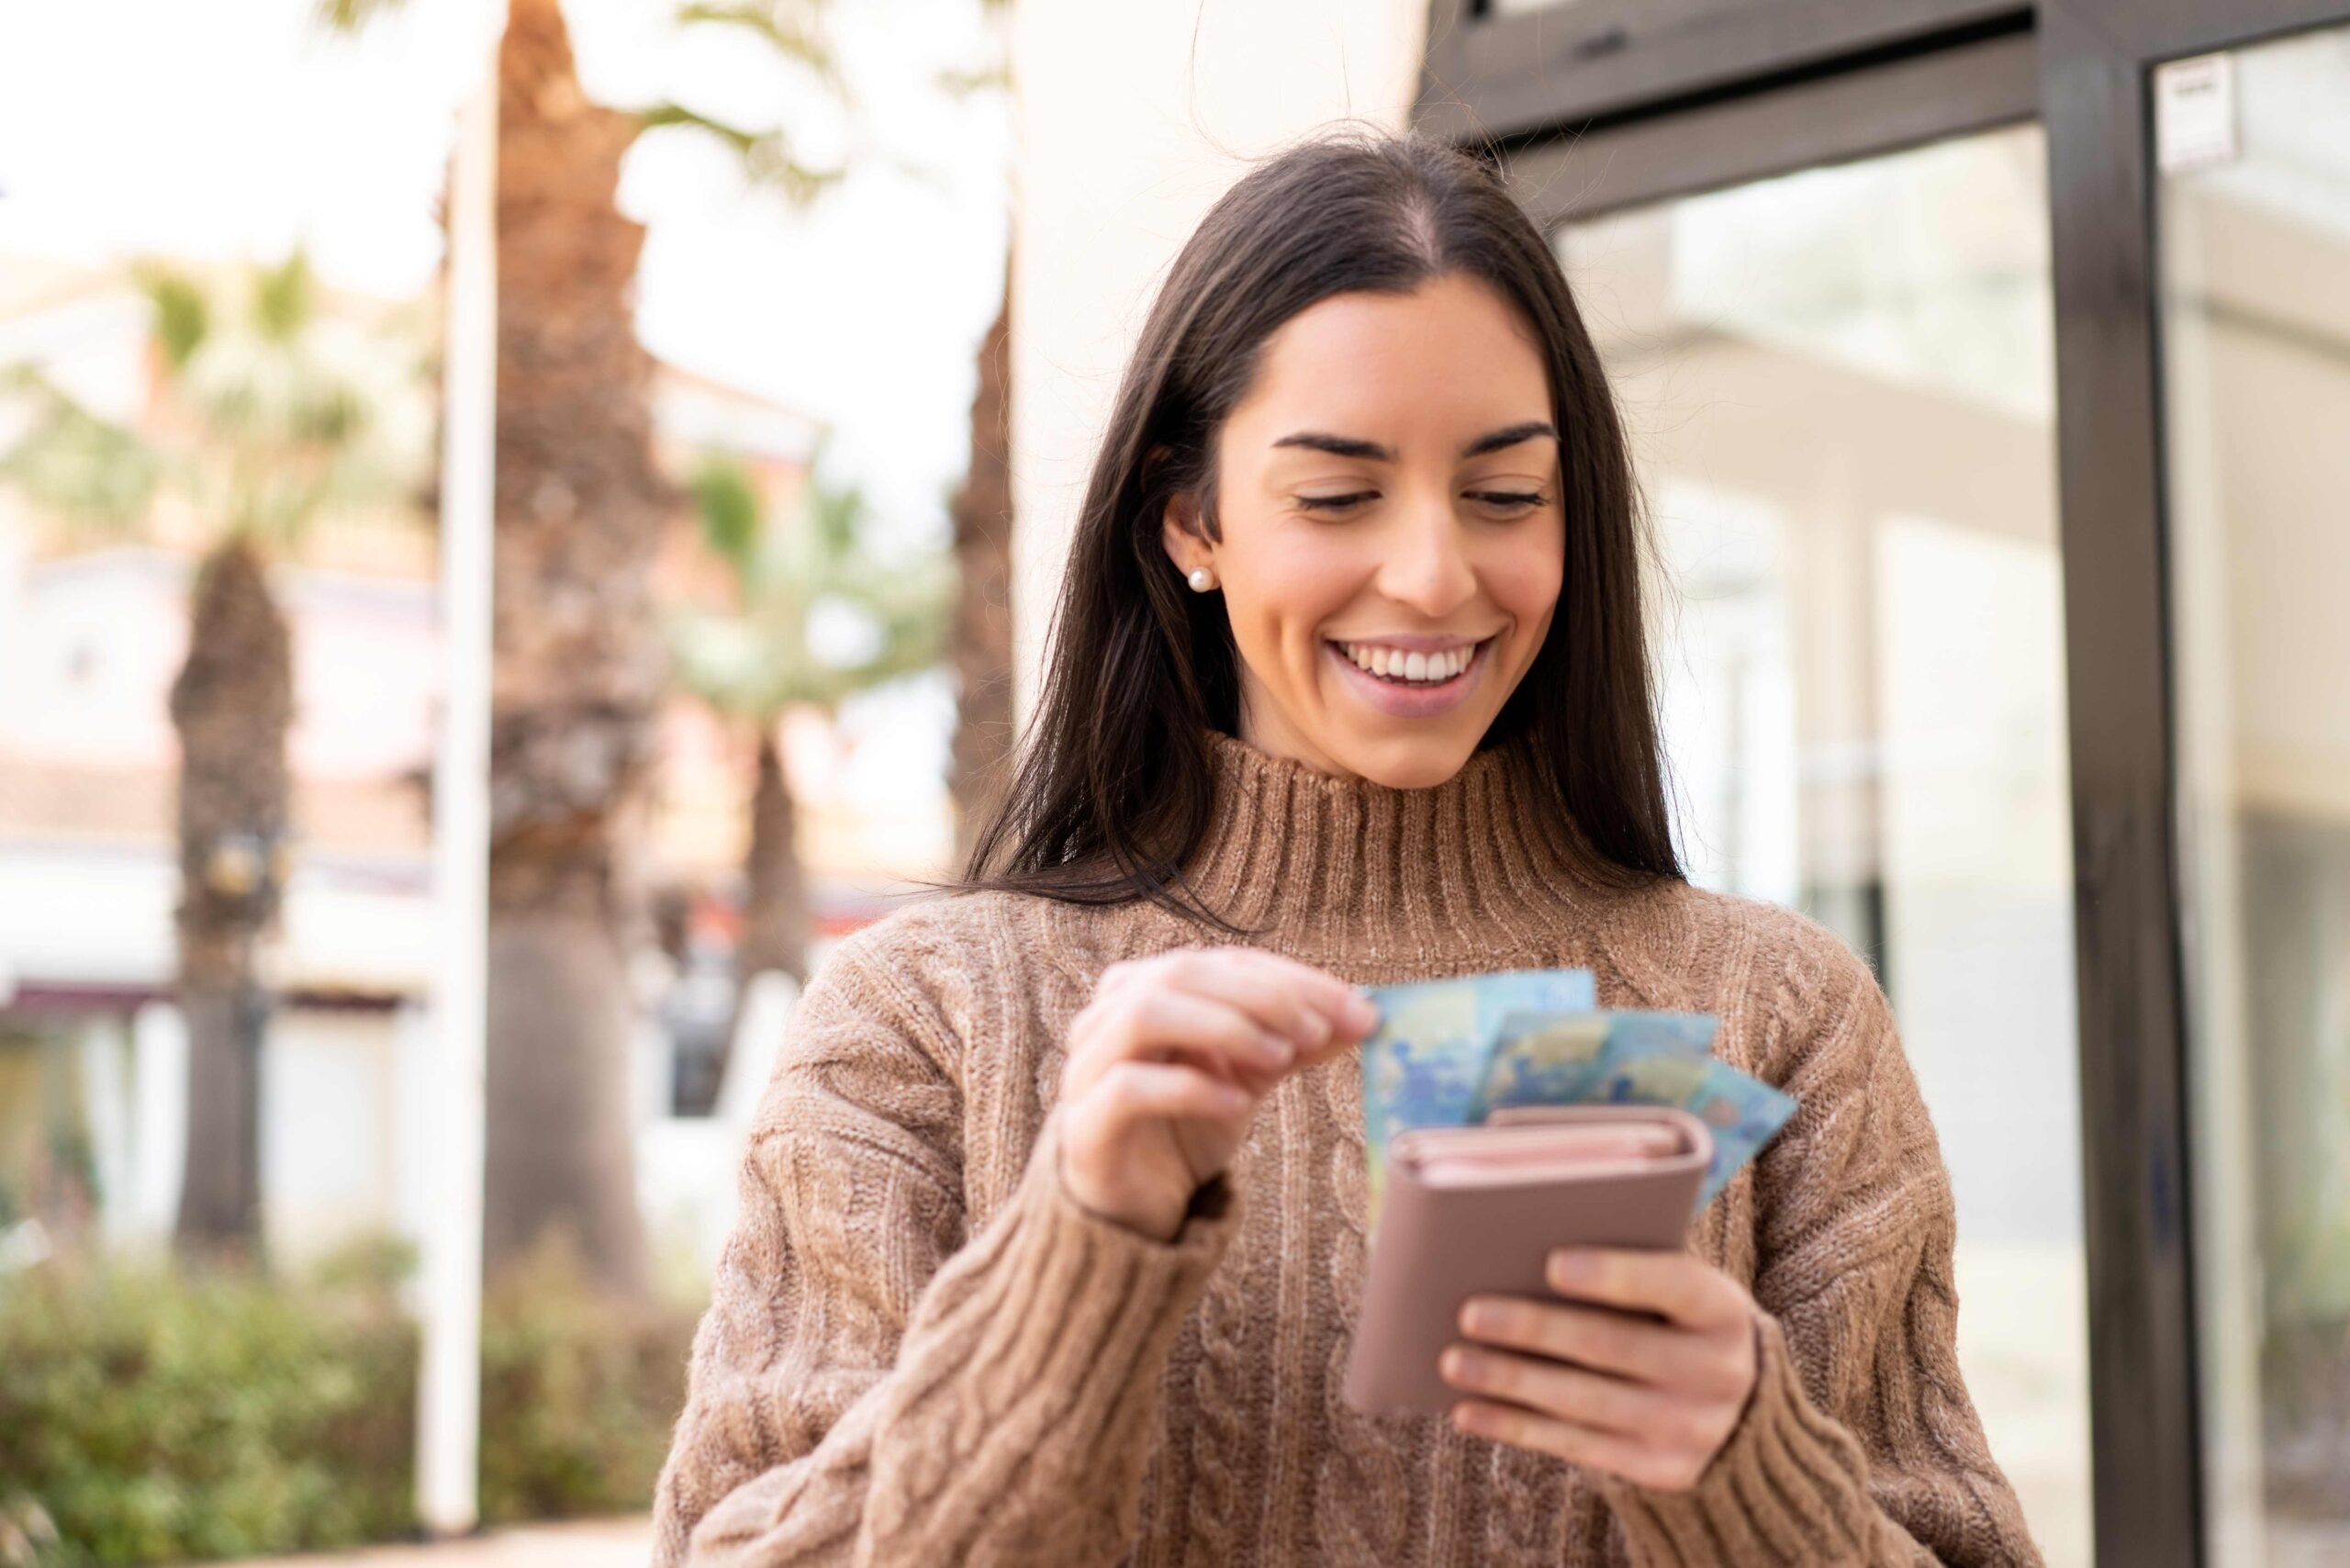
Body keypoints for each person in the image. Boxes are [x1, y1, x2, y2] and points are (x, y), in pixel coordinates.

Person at [650, 129, 2042, 1567]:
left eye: (1507, 495)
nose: (1436, 575)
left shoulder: (1781, 1020)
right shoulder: (927, 1020)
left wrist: (1754, 1482)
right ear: (1191, 518)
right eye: (1336, 496)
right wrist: (1076, 1253)